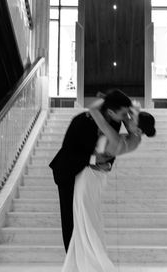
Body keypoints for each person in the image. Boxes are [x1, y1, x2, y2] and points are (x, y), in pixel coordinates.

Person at [60, 97, 156, 272]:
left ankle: (90, 268)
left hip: (89, 177)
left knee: (85, 222)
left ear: (137, 129)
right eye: (128, 118)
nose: (127, 120)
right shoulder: (134, 138)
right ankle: (80, 266)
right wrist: (132, 111)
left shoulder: (115, 136)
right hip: (94, 177)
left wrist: (100, 104)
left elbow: (98, 117)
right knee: (86, 222)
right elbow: (128, 118)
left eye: (131, 121)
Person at [49, 89, 132, 252]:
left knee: (88, 217)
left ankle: (89, 256)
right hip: (69, 171)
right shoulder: (81, 121)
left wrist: (108, 163)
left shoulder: (115, 122)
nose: (126, 118)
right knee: (70, 218)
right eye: (123, 114)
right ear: (110, 111)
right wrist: (94, 160)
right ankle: (74, 261)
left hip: (90, 174)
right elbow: (70, 152)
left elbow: (111, 146)